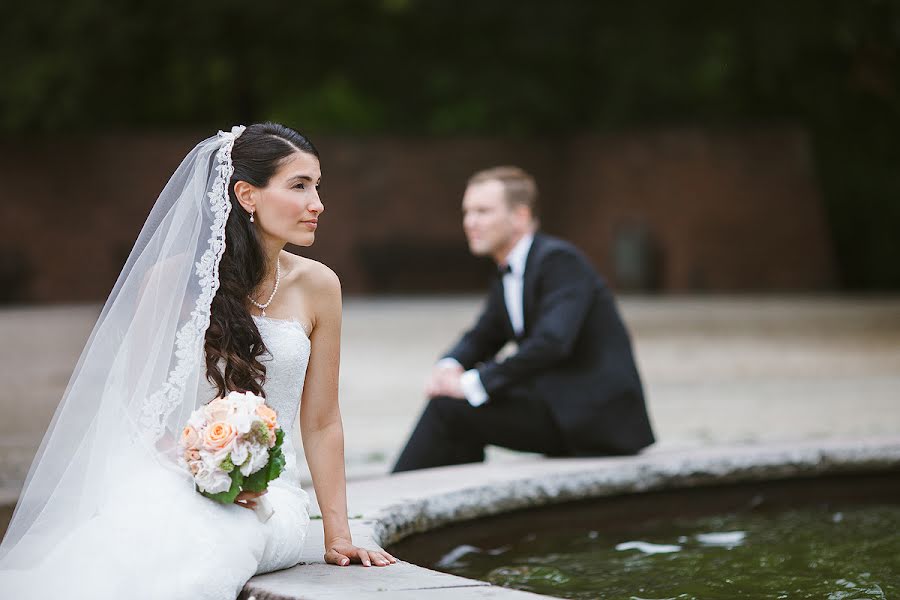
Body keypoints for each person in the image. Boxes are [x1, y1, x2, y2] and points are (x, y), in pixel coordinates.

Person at [0, 123, 395, 599]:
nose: (317, 203)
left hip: (271, 499)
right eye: (299, 186)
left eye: (317, 186)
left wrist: (338, 537)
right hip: (175, 478)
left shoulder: (320, 286)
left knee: (209, 536)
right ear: (247, 195)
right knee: (143, 525)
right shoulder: (171, 280)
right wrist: (200, 470)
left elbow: (322, 422)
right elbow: (134, 408)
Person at [393, 166, 655, 472]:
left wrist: (474, 383)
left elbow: (552, 343)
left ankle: (391, 492)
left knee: (450, 409)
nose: (470, 222)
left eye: (482, 211)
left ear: (520, 216)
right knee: (455, 411)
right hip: (557, 405)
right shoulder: (510, 269)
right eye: (467, 212)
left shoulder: (559, 261)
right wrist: (448, 367)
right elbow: (483, 336)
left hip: (595, 419)